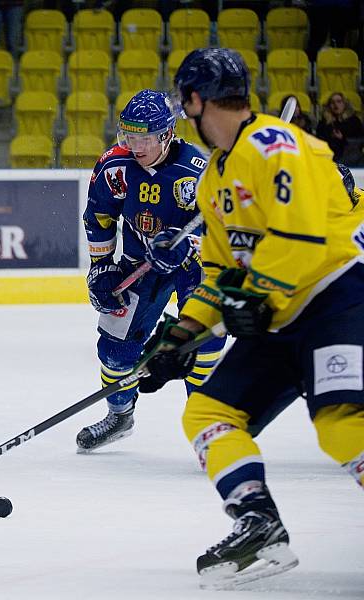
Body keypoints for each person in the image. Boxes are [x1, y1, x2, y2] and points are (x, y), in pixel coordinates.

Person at [141, 47, 364, 589]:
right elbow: (220, 271)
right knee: (207, 412)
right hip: (278, 315)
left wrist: (255, 295)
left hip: (337, 299)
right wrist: (181, 335)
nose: (183, 112)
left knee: (341, 426)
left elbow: (303, 237)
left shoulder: (277, 146)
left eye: (184, 102)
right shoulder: (216, 176)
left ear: (195, 100)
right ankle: (258, 523)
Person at [75, 89, 225, 452]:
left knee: (203, 340)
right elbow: (99, 219)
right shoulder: (115, 166)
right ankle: (120, 416)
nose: (136, 145)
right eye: (130, 135)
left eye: (145, 137)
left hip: (194, 265)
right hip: (139, 263)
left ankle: (208, 425)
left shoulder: (198, 170)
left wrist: (188, 243)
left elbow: (221, 229)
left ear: (167, 134)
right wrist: (101, 268)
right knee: (114, 350)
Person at [315, 91, 364, 163]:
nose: (335, 104)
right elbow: (319, 139)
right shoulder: (324, 122)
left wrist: (343, 138)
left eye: (339, 101)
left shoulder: (354, 121)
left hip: (350, 157)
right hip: (328, 157)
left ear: (344, 104)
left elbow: (359, 140)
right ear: (329, 106)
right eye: (332, 102)